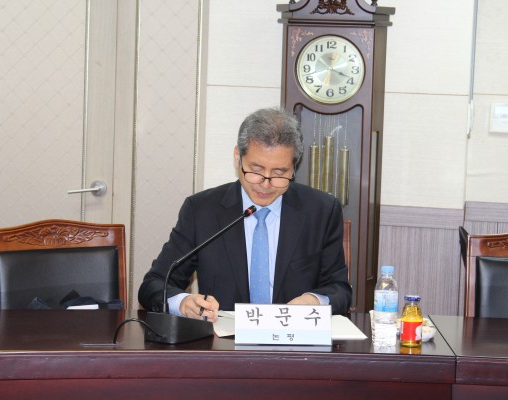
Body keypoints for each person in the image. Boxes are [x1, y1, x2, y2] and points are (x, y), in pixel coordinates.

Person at [138, 107, 351, 321]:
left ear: (293, 167)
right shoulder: (201, 210)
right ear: (237, 158)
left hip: (292, 337)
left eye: (279, 173)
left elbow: (339, 290)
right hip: (222, 339)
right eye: (256, 170)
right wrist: (183, 303)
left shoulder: (321, 211)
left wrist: (314, 300)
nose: (265, 184)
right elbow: (154, 284)